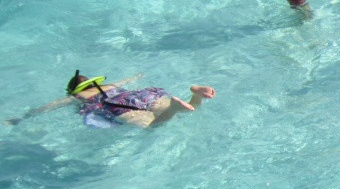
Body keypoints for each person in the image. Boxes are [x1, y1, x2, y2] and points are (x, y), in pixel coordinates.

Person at [6, 71, 215, 129]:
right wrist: (137, 76)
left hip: (115, 106)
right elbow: (132, 78)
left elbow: (47, 107)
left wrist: (21, 118)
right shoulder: (110, 84)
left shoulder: (76, 96)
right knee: (191, 110)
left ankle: (173, 109)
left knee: (152, 126)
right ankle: (195, 94)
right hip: (139, 95)